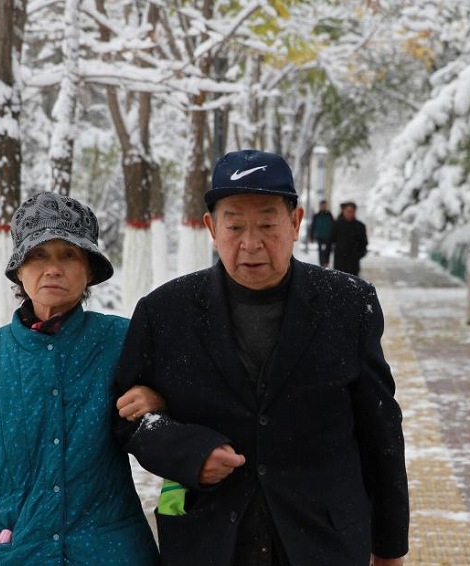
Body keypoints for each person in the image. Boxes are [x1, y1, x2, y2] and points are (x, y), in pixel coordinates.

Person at [114, 149, 409, 565]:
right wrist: (189, 452)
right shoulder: (165, 312)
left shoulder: (348, 304)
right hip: (210, 542)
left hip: (323, 541)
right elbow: (126, 420)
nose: (250, 243)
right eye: (234, 226)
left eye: (268, 225)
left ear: (296, 223)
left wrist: (391, 547)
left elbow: (380, 429)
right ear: (211, 227)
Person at [0, 192, 159, 565]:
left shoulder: (123, 343)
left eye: (69, 255)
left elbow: (198, 401)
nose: (53, 269)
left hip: (111, 554)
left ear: (90, 270)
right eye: (38, 255)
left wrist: (161, 400)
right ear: (19, 270)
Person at [330, 200, 368, 276]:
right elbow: (330, 241)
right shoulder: (337, 225)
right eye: (348, 211)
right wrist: (325, 259)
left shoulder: (360, 226)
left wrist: (359, 254)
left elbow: (364, 242)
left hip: (353, 262)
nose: (350, 213)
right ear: (343, 211)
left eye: (352, 211)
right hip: (340, 261)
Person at [308, 198, 334, 267]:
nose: (323, 207)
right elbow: (313, 226)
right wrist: (311, 236)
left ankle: (326, 263)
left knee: (327, 251)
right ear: (320, 206)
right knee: (321, 252)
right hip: (320, 237)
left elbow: (333, 226)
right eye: (322, 205)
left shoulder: (329, 215)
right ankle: (322, 265)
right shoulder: (316, 215)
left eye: (324, 205)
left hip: (328, 237)